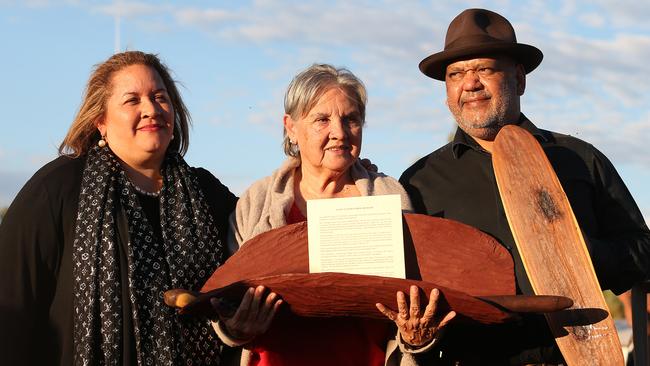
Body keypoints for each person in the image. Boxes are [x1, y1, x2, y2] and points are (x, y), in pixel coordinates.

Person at [399, 8, 650, 365]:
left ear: (519, 79)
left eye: (484, 69)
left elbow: (643, 251)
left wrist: (581, 255)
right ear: (447, 91)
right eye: (456, 74)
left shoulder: (579, 160)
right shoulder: (420, 181)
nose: (470, 83)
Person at [0, 51, 238, 365]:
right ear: (101, 120)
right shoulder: (57, 189)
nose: (151, 109)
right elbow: (11, 310)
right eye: (132, 100)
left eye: (159, 97)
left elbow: (250, 269)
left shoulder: (208, 195)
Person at [211, 64, 456, 366]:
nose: (339, 133)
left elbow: (416, 295)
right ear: (291, 127)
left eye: (350, 119)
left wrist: (414, 337)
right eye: (322, 119)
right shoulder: (257, 201)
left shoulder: (390, 196)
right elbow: (227, 299)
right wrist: (235, 329)